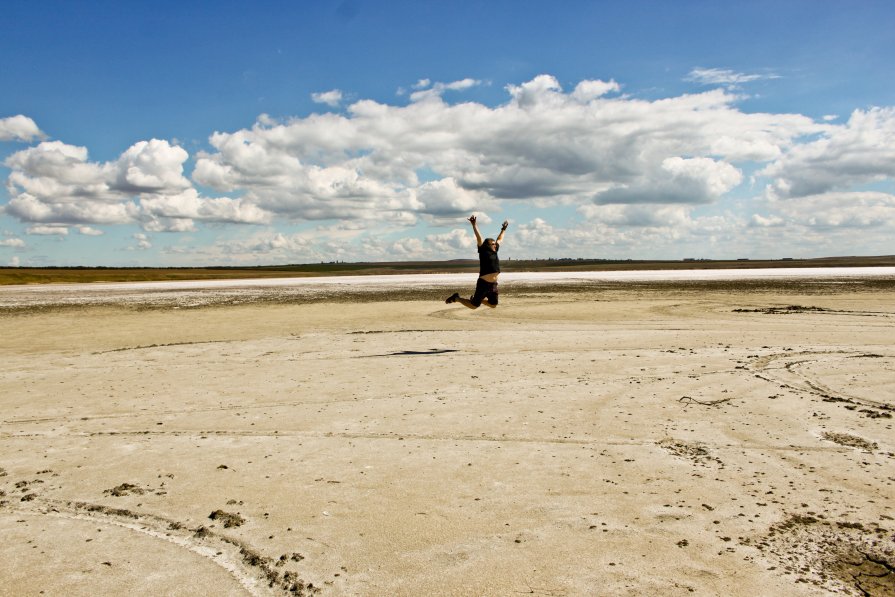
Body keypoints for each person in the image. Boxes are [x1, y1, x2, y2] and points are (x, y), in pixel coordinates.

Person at [445, 215, 509, 309]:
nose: (495, 245)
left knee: (493, 304)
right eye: (493, 244)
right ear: (487, 245)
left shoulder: (495, 250)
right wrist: (474, 225)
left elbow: (500, 239)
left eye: (495, 244)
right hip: (483, 283)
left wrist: (503, 229)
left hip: (493, 284)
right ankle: (457, 298)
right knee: (474, 306)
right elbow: (479, 238)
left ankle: (478, 299)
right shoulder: (483, 250)